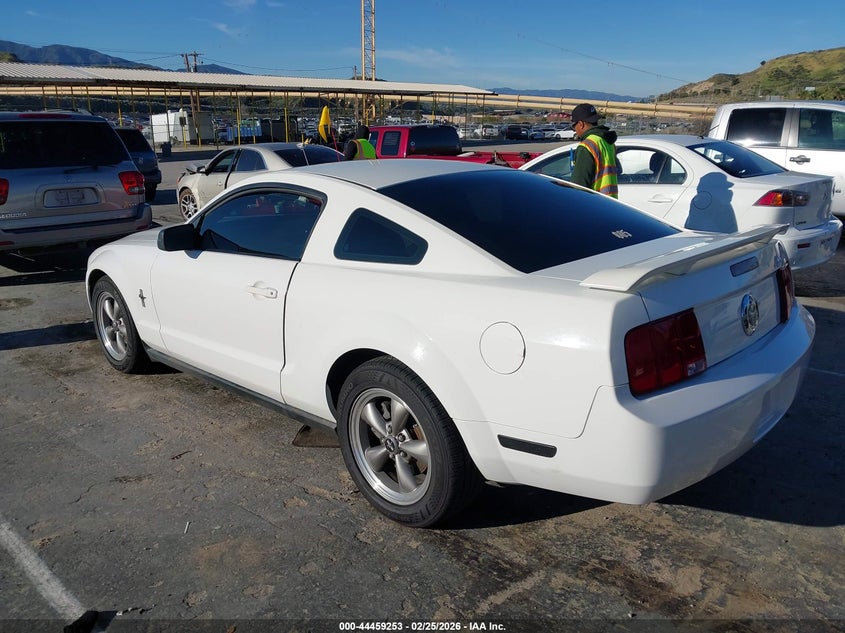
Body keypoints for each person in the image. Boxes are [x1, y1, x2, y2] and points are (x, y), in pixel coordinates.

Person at [569, 103, 618, 198]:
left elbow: (579, 186)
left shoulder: (586, 146)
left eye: (574, 126)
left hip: (595, 203)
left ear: (580, 124)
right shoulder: (607, 142)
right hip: (611, 202)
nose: (575, 130)